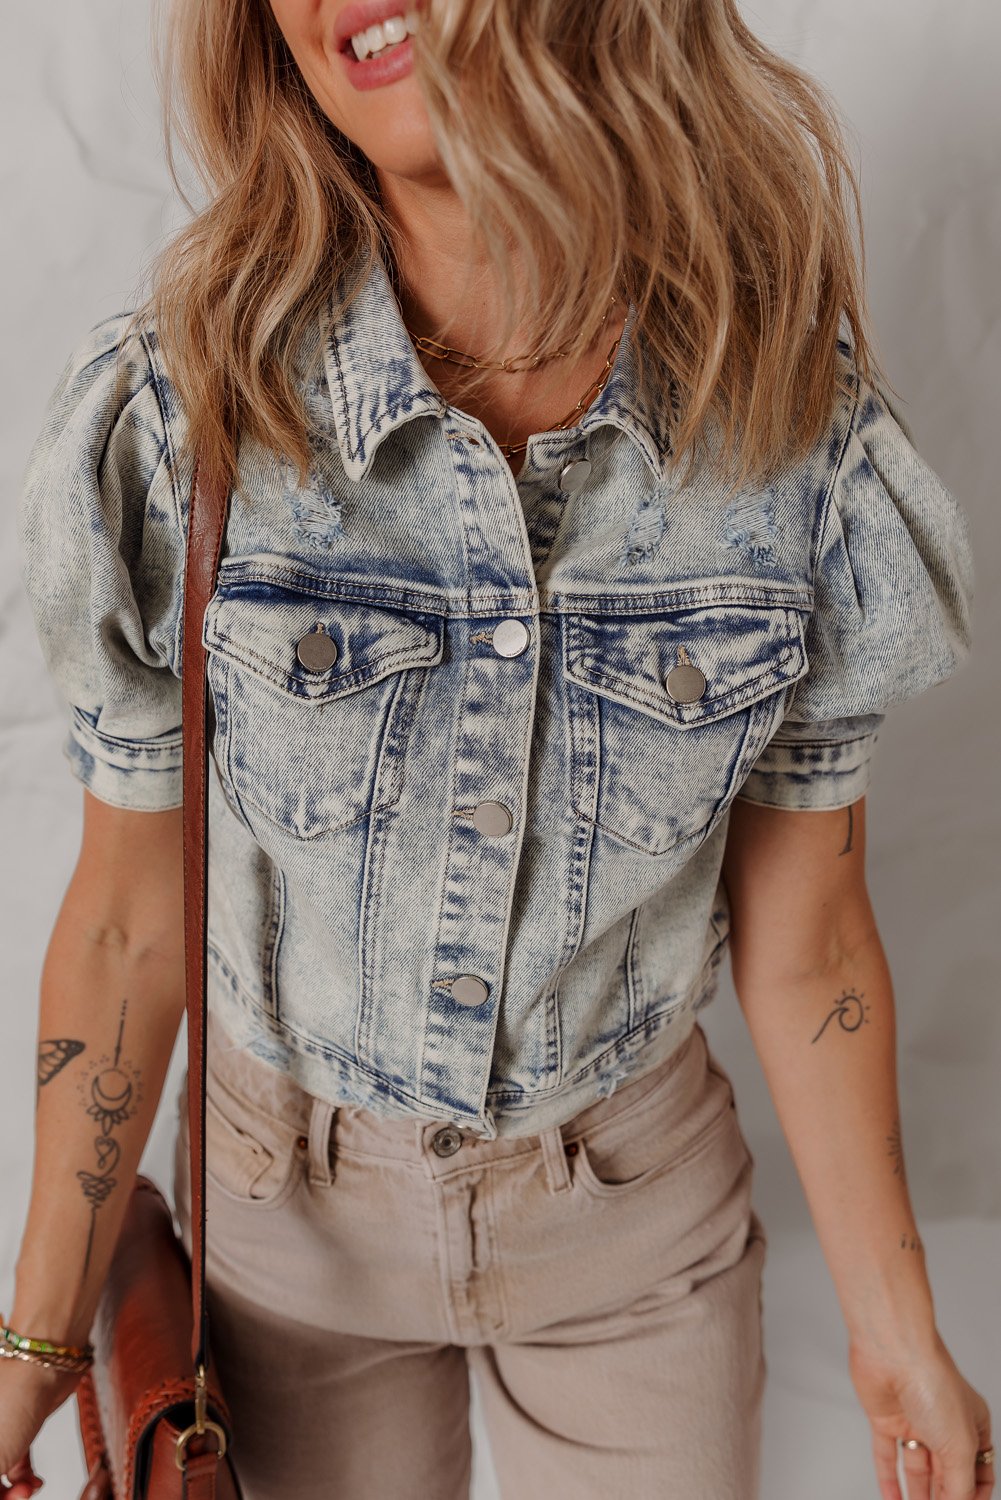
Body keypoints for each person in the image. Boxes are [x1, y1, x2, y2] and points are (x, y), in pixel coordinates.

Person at [2, 0, 993, 1496]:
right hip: (284, 1250)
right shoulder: (188, 406)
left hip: (632, 1238)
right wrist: (35, 1342)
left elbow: (813, 940)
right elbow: (128, 919)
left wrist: (897, 1328)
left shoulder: (786, 426)